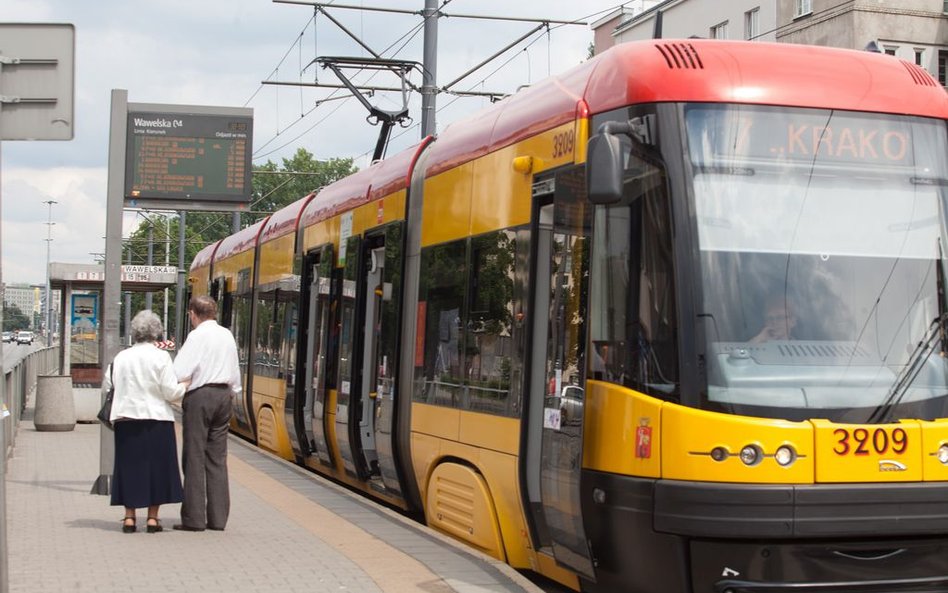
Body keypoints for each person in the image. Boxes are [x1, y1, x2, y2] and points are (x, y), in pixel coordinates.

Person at [104, 310, 187, 533]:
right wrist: (186, 386)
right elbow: (170, 391)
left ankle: (129, 517)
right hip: (157, 419)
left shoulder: (121, 357)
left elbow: (108, 386)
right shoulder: (161, 357)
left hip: (126, 419)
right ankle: (152, 519)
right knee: (157, 469)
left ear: (134, 333)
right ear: (156, 332)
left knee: (129, 467)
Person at [172, 295, 241, 532]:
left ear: (193, 313)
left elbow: (179, 370)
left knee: (194, 456)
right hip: (224, 397)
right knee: (217, 458)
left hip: (201, 397)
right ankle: (218, 519)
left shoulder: (197, 336)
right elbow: (235, 372)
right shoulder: (226, 334)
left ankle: (194, 519)